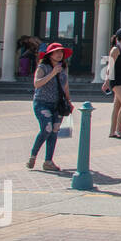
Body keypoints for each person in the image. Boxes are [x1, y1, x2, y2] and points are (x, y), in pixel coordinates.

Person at [28, 42, 72, 171]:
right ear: (50, 54)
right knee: (46, 128)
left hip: (57, 104)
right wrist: (53, 73)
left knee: (54, 131)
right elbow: (37, 84)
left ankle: (48, 161)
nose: (59, 54)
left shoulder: (64, 67)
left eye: (61, 52)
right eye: (56, 52)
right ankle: (33, 155)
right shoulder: (43, 67)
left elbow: (65, 85)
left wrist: (68, 100)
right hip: (42, 102)